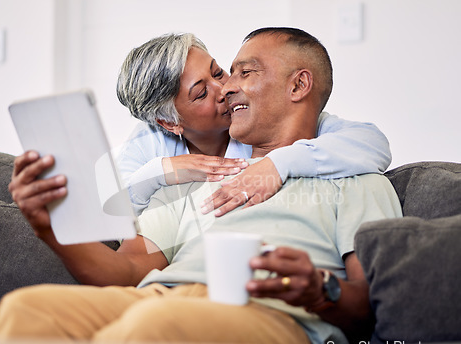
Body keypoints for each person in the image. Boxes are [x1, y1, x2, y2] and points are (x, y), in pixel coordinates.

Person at [0, 28, 402, 344]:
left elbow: (366, 306)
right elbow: (129, 269)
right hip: (160, 300)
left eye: (244, 72)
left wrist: (318, 290)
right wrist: (50, 227)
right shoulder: (200, 174)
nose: (227, 88)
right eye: (216, 83)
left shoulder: (357, 176)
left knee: (149, 330)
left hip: (271, 315)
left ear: (298, 86)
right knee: (25, 311)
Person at [114, 33, 391, 215]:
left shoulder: (259, 120)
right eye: (201, 93)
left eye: (217, 72)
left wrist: (277, 164)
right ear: (168, 122)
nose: (224, 88)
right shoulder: (150, 141)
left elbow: (371, 142)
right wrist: (162, 170)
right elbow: (114, 214)